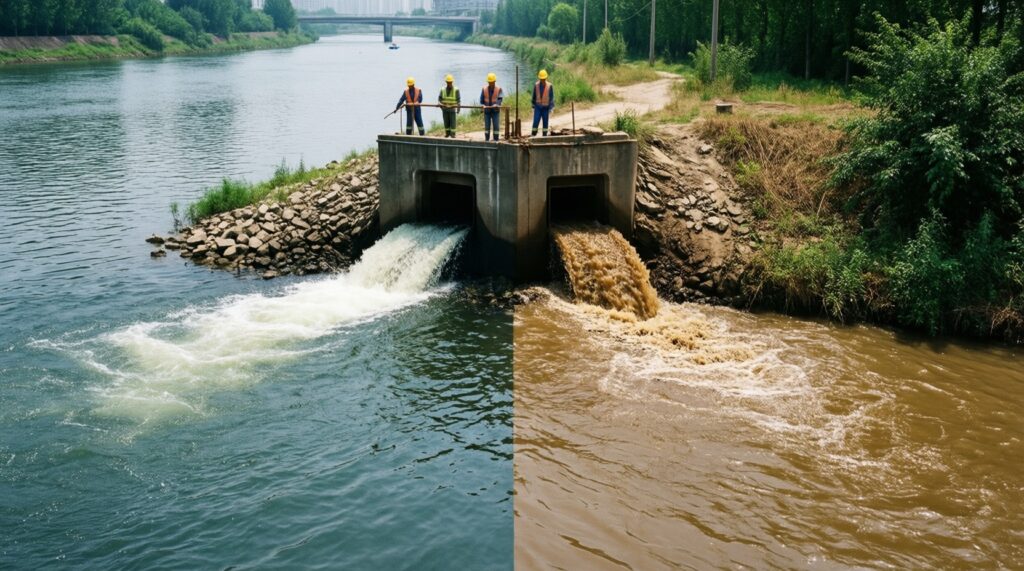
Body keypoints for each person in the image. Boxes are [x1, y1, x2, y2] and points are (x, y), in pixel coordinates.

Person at [479, 72, 503, 141]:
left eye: (492, 82)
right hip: (487, 111)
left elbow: (500, 98)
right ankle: (487, 139)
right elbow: (481, 100)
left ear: (495, 81)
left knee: (496, 126)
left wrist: (497, 104)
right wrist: (482, 105)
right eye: (489, 82)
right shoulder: (484, 89)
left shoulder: (499, 89)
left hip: (495, 111)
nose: (491, 83)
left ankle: (496, 139)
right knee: (487, 126)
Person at [531, 69, 555, 137]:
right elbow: (534, 96)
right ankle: (533, 134)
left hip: (545, 108)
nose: (543, 80)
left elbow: (551, 98)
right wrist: (533, 106)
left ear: (546, 78)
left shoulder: (549, 86)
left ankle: (544, 136)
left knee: (545, 123)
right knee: (535, 122)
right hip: (538, 107)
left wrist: (551, 108)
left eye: (544, 79)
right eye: (541, 79)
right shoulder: (536, 85)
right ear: (539, 78)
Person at [438, 74, 461, 138]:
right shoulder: (442, 89)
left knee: (453, 123)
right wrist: (441, 105)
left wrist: (458, 109)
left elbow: (458, 100)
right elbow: (439, 99)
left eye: (450, 82)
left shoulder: (456, 90)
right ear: (446, 82)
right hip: (444, 109)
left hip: (452, 109)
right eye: (448, 82)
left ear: (452, 82)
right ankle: (447, 134)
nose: (449, 84)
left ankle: (453, 134)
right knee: (446, 122)